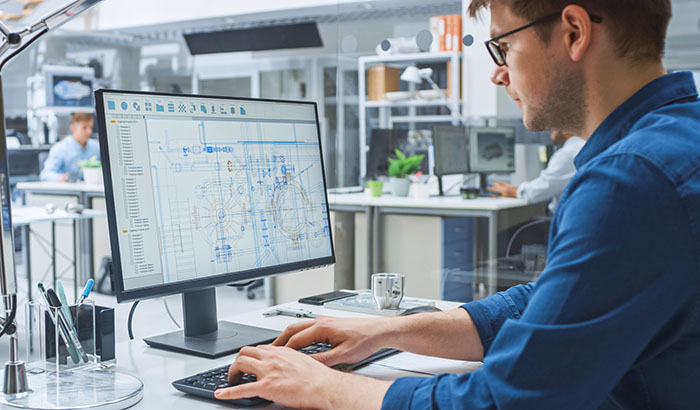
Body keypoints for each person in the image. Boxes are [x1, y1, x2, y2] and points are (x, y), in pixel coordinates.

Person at [216, 1, 700, 408]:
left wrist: (328, 387)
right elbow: (553, 305)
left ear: (573, 32)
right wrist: (386, 332)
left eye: (504, 46)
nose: (497, 72)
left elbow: (510, 400)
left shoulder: (632, 180)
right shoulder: (677, 140)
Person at [488, 130, 585, 212]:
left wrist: (514, 191)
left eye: (554, 127)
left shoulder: (567, 153)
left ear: (565, 129)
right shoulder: (581, 145)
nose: (550, 131)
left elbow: (543, 188)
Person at [40, 112, 100, 182]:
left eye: (91, 127)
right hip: (69, 191)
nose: (89, 132)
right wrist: (59, 178)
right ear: (73, 128)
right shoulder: (60, 148)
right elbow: (45, 175)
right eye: (84, 128)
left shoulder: (96, 147)